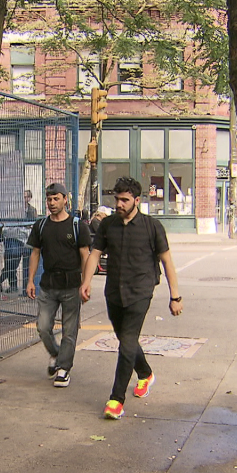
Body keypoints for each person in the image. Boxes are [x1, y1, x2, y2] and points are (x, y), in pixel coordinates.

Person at [80, 176, 182, 419]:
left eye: (125, 200)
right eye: (117, 199)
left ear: (137, 200)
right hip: (114, 292)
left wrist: (175, 296)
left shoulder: (152, 227)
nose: (119, 204)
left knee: (126, 343)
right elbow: (95, 253)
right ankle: (145, 374)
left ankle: (116, 399)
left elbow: (167, 261)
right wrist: (86, 281)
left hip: (140, 292)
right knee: (126, 339)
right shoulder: (108, 225)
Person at [27, 183, 92, 388]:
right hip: (48, 285)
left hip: (72, 285)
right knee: (43, 327)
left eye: (56, 198)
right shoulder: (41, 226)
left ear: (65, 199)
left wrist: (86, 282)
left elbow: (85, 255)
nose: (52, 203)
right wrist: (30, 281)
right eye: (49, 199)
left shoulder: (77, 225)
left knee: (69, 330)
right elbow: (35, 253)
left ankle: (63, 368)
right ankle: (56, 354)